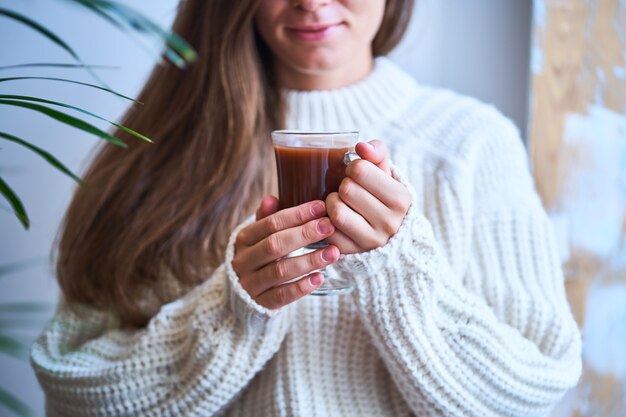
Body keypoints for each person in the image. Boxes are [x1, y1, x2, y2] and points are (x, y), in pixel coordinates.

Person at [31, 0, 582, 416]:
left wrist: (399, 272)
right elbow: (72, 382)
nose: (311, 2)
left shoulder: (470, 145)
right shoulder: (167, 147)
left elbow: (531, 387)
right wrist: (233, 309)